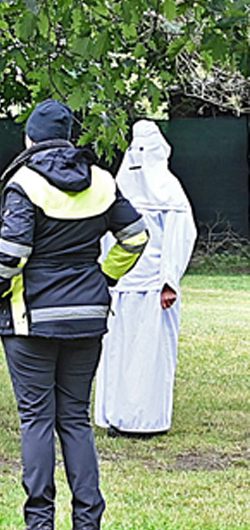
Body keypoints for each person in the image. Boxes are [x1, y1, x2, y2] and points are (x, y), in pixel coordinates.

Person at [0, 99, 149, 530]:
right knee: (74, 418)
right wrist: (104, 276)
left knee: (36, 418)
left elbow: (14, 250)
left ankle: (39, 525)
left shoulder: (23, 182)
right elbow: (136, 237)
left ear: (30, 138)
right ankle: (87, 526)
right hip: (88, 316)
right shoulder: (102, 180)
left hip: (32, 319)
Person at [95, 120, 197, 438]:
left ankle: (147, 420)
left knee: (150, 354)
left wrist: (169, 282)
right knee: (120, 350)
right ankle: (118, 417)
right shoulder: (119, 189)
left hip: (154, 288)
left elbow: (178, 239)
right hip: (122, 286)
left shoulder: (169, 193)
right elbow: (106, 238)